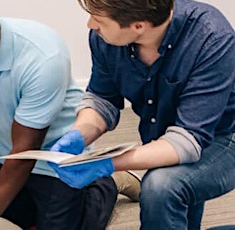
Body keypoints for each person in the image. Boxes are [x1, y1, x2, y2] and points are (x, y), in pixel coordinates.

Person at [0, 0, 141, 229]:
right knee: (9, 218)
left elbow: (26, 150)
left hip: (57, 155)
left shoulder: (43, 55)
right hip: (5, 151)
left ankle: (108, 184)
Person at [48, 0, 235, 229]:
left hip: (223, 138)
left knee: (161, 187)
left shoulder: (211, 37)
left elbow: (188, 140)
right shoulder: (105, 38)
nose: (91, 24)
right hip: (165, 137)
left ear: (139, 26)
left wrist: (109, 164)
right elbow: (102, 98)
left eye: (99, 19)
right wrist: (79, 133)